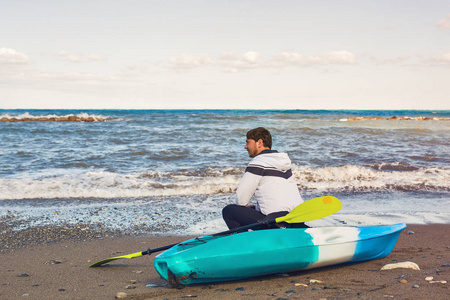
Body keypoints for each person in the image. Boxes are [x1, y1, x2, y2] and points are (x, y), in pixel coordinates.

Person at [222, 127, 307, 230]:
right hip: (295, 218)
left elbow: (241, 200)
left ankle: (246, 242)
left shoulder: (258, 162)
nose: (245, 146)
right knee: (254, 208)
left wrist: (244, 207)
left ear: (259, 143)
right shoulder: (284, 162)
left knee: (229, 211)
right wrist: (255, 208)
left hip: (275, 223)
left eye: (248, 142)